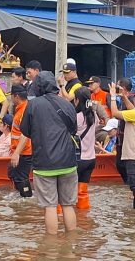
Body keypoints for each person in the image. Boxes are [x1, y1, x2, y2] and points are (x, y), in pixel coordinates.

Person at [20, 71, 78, 235]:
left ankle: (51, 249)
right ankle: (71, 247)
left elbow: (26, 130)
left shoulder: (33, 105)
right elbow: (73, 129)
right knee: (68, 205)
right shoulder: (67, 104)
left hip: (44, 162)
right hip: (68, 162)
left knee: (50, 207)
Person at [73, 87, 98, 209]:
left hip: (78, 159)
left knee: (68, 192)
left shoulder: (76, 117)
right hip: (91, 159)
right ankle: (83, 216)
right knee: (82, 192)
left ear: (77, 100)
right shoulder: (94, 116)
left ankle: (64, 217)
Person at [8, 84, 33, 197]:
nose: (11, 99)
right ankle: (21, 197)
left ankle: (27, 200)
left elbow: (25, 134)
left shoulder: (24, 111)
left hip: (24, 151)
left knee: (21, 177)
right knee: (13, 173)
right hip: (19, 150)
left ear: (16, 96)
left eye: (12, 96)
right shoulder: (21, 109)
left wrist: (17, 153)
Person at [114, 78, 134, 183]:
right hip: (121, 137)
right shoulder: (121, 100)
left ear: (124, 88)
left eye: (118, 87)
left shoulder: (130, 100)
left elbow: (132, 112)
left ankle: (129, 185)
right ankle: (126, 184)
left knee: (125, 164)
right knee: (120, 164)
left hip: (128, 137)